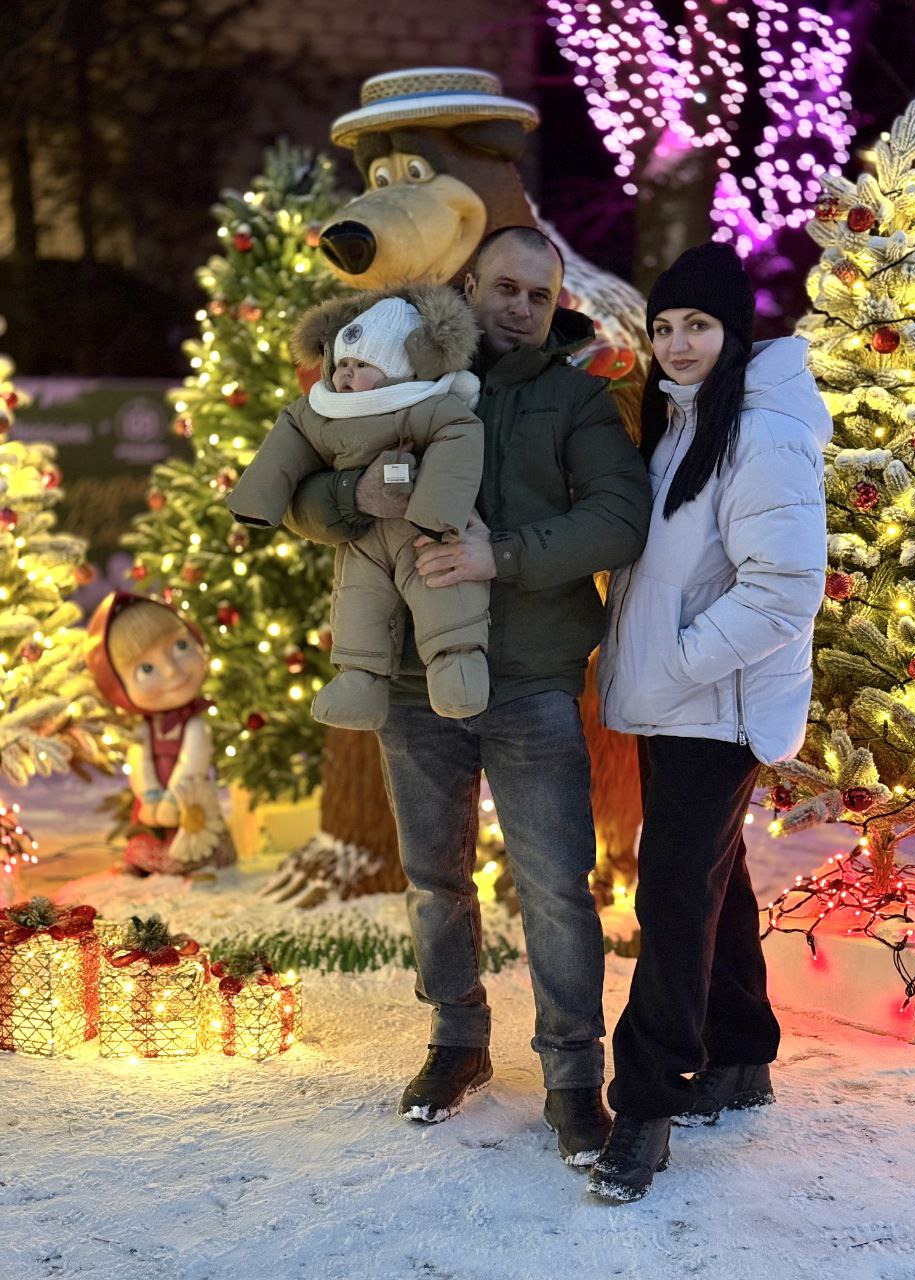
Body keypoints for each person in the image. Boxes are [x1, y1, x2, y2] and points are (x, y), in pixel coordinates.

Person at [284, 226, 652, 1166]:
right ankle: (457, 1042)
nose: (520, 307)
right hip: (415, 681)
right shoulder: (400, 373)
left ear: (555, 305)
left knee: (556, 889)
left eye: (539, 294)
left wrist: (506, 555)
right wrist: (353, 500)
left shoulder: (576, 398)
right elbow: (303, 485)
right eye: (505, 287)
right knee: (436, 880)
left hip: (530, 681)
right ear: (469, 285)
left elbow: (620, 517)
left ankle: (574, 1075)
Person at [591, 242, 832, 1202]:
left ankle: (644, 1110)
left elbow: (785, 589)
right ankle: (740, 1053)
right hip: (678, 701)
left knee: (671, 899)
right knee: (712, 884)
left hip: (714, 706)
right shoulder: (684, 420)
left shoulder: (760, 432)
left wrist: (679, 662)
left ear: (734, 331)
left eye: (698, 325)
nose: (678, 344)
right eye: (664, 327)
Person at [227, 288, 490, 727]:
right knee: (358, 600)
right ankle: (360, 679)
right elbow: (289, 439)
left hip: (421, 529)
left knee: (441, 584)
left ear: (398, 370)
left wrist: (435, 512)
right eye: (343, 363)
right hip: (362, 535)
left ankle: (457, 662)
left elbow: (459, 433)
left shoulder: (420, 404)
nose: (347, 374)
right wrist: (257, 499)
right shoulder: (322, 411)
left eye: (363, 365)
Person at [85, 592, 237, 875]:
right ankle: (147, 864)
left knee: (196, 837)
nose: (171, 671)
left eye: (181, 646)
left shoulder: (194, 725)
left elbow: (192, 763)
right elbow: (140, 761)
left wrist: (172, 800)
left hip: (189, 798)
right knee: (149, 835)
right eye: (146, 668)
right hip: (153, 799)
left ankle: (198, 863)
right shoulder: (143, 727)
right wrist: (150, 795)